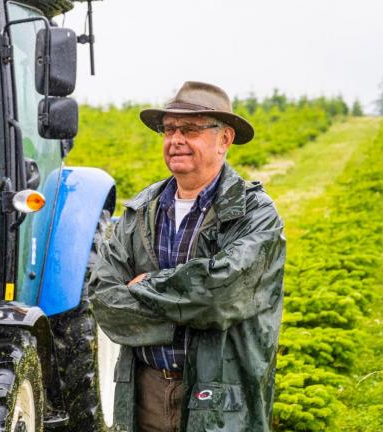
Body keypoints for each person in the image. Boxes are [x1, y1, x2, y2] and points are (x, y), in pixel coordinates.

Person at [88, 81, 285, 431]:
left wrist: (144, 285)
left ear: (224, 139)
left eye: (190, 129)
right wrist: (184, 312)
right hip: (144, 391)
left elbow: (218, 294)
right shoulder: (140, 212)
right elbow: (103, 297)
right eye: (169, 130)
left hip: (222, 393)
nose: (175, 139)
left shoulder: (255, 215)